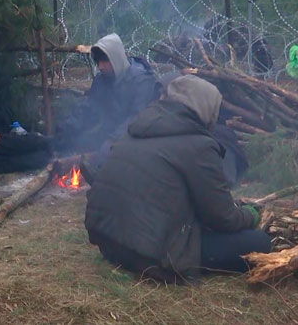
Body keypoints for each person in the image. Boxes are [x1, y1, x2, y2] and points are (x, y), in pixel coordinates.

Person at [85, 75, 271, 283]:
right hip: (151, 256)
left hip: (109, 243)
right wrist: (250, 216)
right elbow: (222, 218)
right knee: (259, 243)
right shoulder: (198, 145)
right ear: (205, 108)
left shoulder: (137, 128)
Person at [56, 33, 159, 156]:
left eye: (105, 61)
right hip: (109, 135)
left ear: (116, 58)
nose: (100, 67)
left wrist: (112, 141)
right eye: (98, 61)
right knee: (73, 145)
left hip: (138, 140)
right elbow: (89, 107)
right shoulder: (102, 80)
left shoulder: (142, 81)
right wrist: (67, 128)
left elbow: (137, 118)